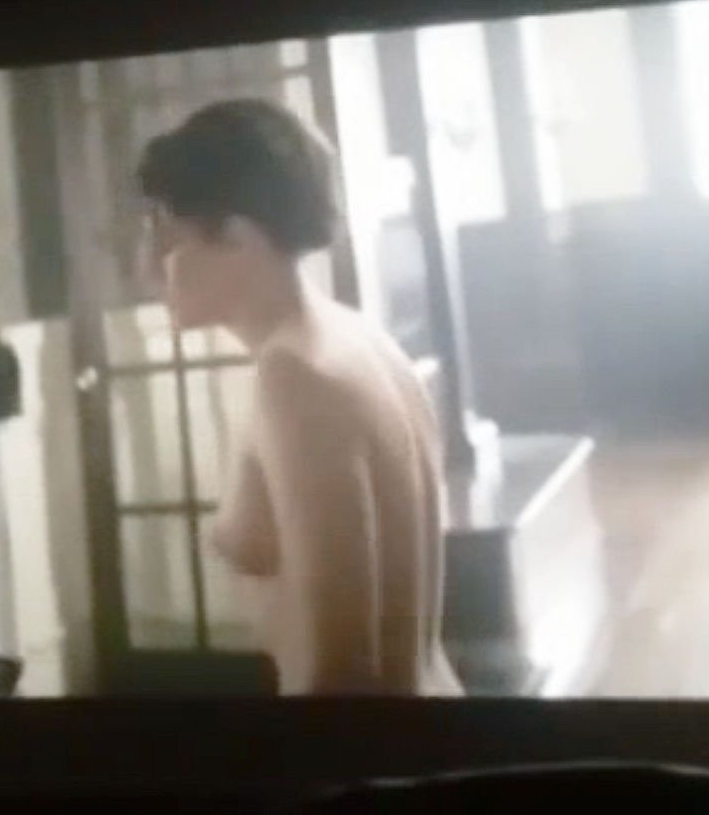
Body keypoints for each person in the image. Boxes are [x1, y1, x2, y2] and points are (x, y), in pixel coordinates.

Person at [136, 98, 463, 696]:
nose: (149, 267)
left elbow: (341, 670)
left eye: (164, 236)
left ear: (237, 236)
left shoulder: (295, 375)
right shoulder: (357, 336)